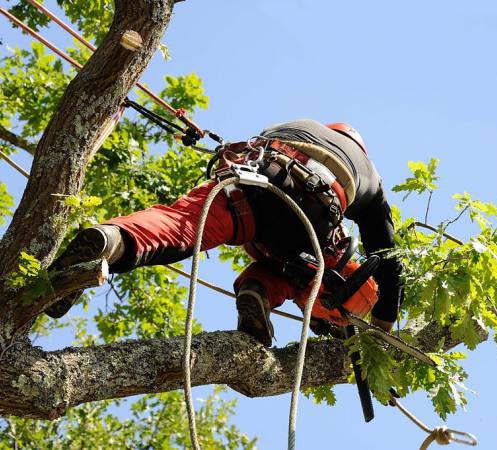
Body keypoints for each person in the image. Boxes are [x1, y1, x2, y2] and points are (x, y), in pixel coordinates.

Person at [46, 119, 403, 347]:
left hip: (254, 181)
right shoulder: (369, 175)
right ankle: (260, 292)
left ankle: (110, 240)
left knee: (180, 225)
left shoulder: (298, 125)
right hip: (312, 215)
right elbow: (388, 256)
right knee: (319, 268)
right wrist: (384, 324)